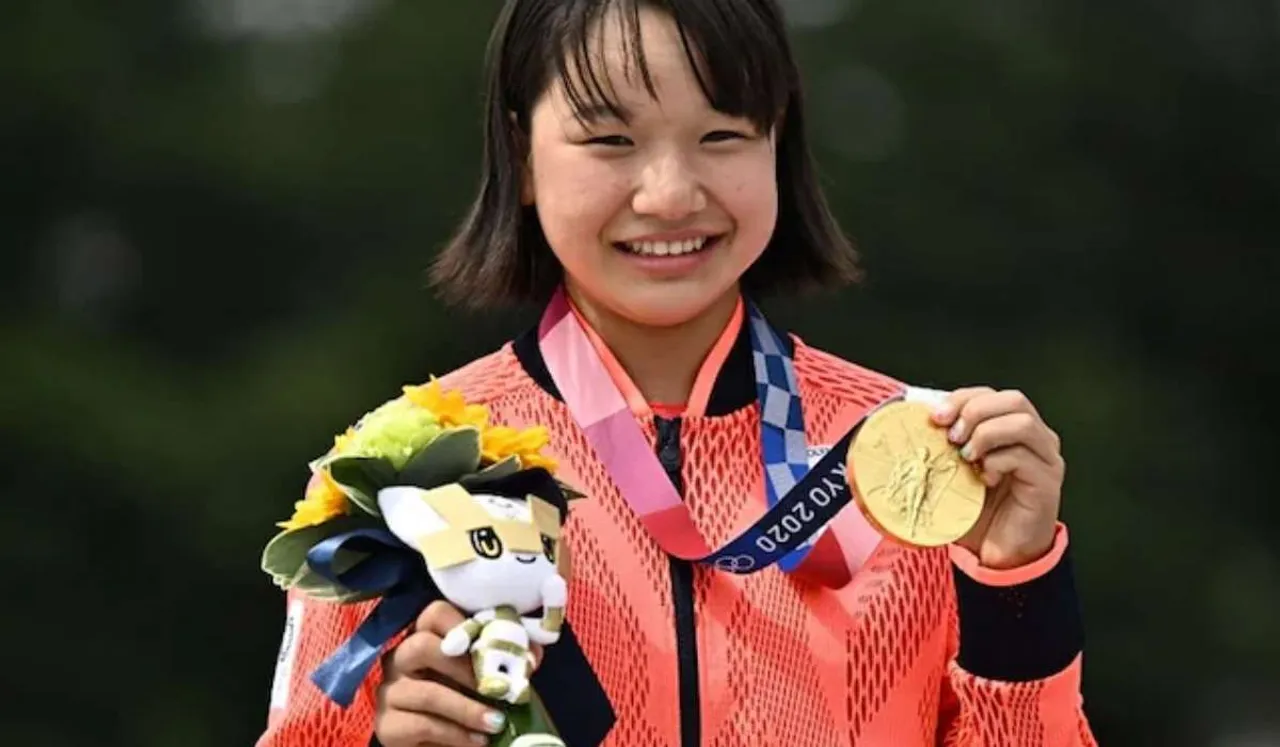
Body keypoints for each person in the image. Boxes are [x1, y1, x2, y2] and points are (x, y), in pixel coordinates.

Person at [256, 0, 1096, 745]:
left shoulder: (919, 454)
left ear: (780, 140)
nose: (668, 194)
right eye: (610, 140)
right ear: (521, 151)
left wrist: (1013, 586)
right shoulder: (404, 468)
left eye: (722, 136)